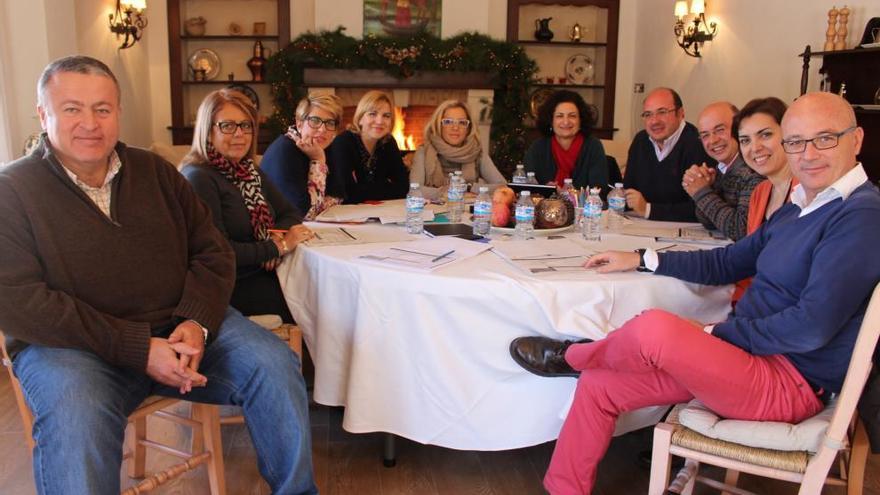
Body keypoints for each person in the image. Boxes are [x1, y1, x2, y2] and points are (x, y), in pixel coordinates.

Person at [509, 92, 880, 494]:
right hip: (740, 363)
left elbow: (811, 328)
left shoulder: (860, 215)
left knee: (655, 329)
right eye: (795, 142)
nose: (807, 154)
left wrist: (711, 335)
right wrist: (642, 258)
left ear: (856, 140)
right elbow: (727, 262)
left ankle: (572, 355)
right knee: (600, 386)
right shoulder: (802, 205)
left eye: (824, 139)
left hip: (787, 383)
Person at [0, 56, 317, 494]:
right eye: (72, 108)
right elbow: (17, 300)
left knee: (274, 364)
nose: (90, 123)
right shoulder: (11, 191)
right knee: (77, 414)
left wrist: (196, 322)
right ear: (43, 113)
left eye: (103, 109)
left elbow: (212, 252)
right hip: (73, 347)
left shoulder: (157, 173)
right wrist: (136, 348)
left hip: (178, 327)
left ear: (118, 113)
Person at [180, 89, 314, 324]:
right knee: (316, 299)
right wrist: (276, 247)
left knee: (323, 287)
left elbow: (289, 212)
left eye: (246, 125)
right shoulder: (199, 177)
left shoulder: (248, 170)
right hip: (228, 286)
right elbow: (219, 252)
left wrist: (273, 239)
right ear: (207, 130)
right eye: (228, 126)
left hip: (262, 271)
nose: (240, 134)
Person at [623, 87, 713, 221]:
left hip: (685, 234)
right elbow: (629, 192)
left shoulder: (698, 144)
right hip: (641, 226)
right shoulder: (640, 141)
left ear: (681, 113)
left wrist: (648, 209)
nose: (654, 121)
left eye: (662, 112)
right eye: (648, 114)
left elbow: (701, 208)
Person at [682, 101, 764, 240]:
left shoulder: (755, 170)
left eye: (720, 130)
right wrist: (709, 187)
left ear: (739, 128)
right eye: (705, 135)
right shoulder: (721, 169)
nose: (713, 140)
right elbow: (709, 223)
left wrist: (701, 192)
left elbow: (741, 230)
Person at [261, 91, 347, 219]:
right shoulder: (285, 151)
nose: (322, 129)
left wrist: (321, 204)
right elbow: (304, 212)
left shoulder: (322, 145)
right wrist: (318, 160)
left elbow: (339, 195)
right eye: (315, 121)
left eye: (330, 123)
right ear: (299, 123)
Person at [409, 99, 505, 200]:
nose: (455, 127)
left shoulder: (476, 151)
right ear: (439, 125)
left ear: (468, 128)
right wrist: (443, 192)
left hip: (466, 211)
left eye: (462, 122)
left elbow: (502, 186)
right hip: (432, 211)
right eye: (448, 122)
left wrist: (468, 187)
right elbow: (414, 190)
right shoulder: (424, 151)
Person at [327, 90, 409, 203]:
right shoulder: (343, 142)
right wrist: (385, 187)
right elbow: (346, 192)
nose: (380, 121)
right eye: (372, 114)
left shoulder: (388, 142)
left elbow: (403, 188)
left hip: (379, 212)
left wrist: (362, 189)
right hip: (343, 213)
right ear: (360, 118)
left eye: (386, 116)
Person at [734, 97, 797, 235]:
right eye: (745, 140)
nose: (755, 148)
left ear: (789, 135)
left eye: (765, 135)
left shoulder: (809, 189)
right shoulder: (759, 193)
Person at [523, 90, 609, 190]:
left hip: (583, 205)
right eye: (559, 116)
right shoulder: (538, 147)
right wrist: (546, 190)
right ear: (551, 121)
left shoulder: (593, 146)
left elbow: (599, 188)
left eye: (572, 116)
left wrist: (572, 194)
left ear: (581, 120)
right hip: (546, 204)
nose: (566, 121)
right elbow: (527, 186)